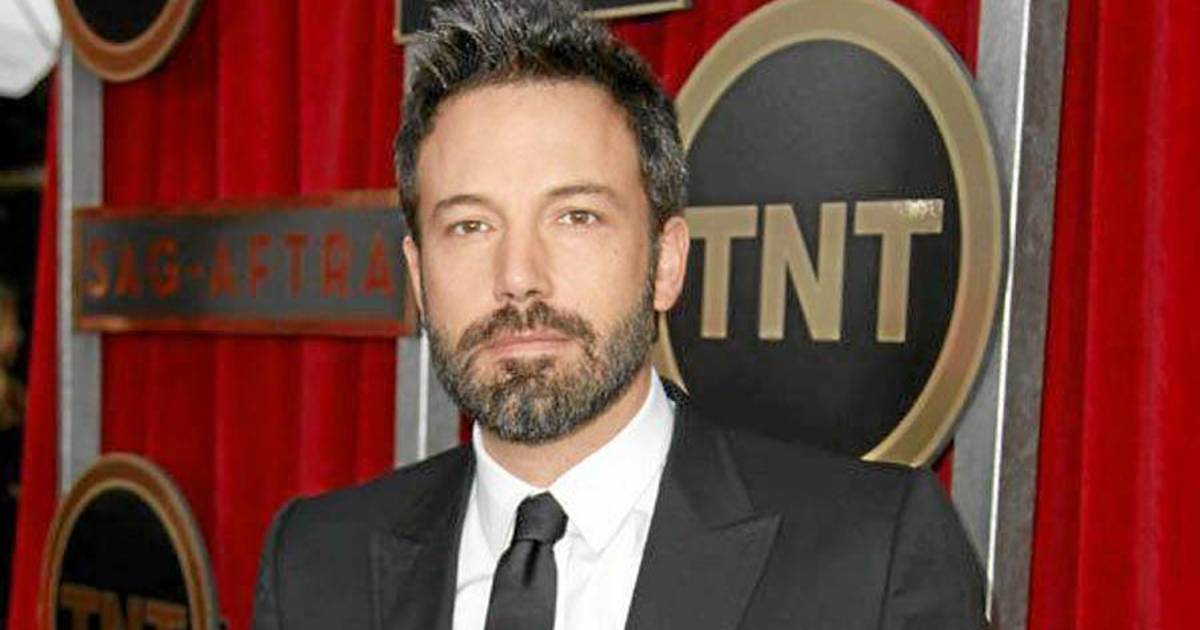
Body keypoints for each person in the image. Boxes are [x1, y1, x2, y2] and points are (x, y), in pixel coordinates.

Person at [252, 1, 986, 628]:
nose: (518, 278)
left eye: (575, 216)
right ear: (418, 274)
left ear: (665, 261)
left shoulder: (869, 557)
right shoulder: (315, 563)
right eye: (471, 226)